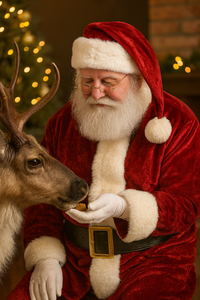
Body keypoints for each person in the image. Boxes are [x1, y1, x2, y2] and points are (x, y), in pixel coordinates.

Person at [8, 21, 200, 300]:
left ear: (136, 78)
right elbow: (41, 201)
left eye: (108, 82)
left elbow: (187, 206)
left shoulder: (179, 122)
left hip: (153, 262)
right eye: (87, 82)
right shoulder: (62, 122)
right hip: (75, 264)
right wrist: (45, 258)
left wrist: (123, 206)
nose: (95, 93)